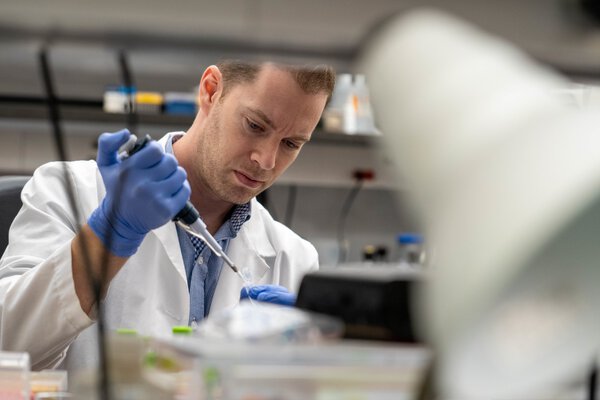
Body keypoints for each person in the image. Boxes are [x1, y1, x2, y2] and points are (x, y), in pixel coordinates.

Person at [0, 60, 335, 372]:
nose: (266, 159)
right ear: (210, 90)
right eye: (255, 125)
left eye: (291, 143)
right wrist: (108, 237)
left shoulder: (295, 259)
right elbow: (9, 344)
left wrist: (305, 359)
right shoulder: (70, 190)